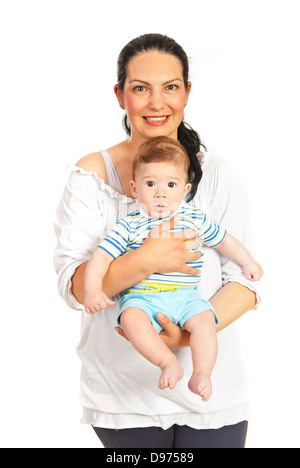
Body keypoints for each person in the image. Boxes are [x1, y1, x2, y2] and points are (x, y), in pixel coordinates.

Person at [53, 33, 263, 448]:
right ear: (120, 95)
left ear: (187, 92)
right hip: (123, 393)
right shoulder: (92, 175)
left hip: (212, 392)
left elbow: (245, 278)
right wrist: (147, 259)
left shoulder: (217, 172)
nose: (156, 102)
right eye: (139, 88)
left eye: (170, 87)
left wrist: (186, 333)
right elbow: (76, 287)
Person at [84, 136, 264, 403]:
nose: (160, 192)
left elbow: (225, 239)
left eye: (170, 184)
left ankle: (202, 373)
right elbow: (101, 256)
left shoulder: (194, 217)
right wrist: (92, 290)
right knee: (131, 319)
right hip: (143, 298)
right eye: (150, 184)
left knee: (205, 321)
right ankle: (167, 361)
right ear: (135, 188)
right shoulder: (129, 225)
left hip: (186, 296)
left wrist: (248, 262)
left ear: (185, 189)